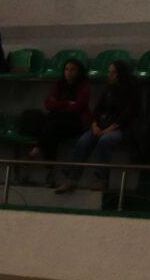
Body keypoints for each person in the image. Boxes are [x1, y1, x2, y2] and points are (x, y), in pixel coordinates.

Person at [57, 59, 140, 195]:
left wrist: (109, 129)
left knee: (105, 140)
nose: (110, 75)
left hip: (120, 128)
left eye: (113, 73)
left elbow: (126, 115)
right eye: (109, 72)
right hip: (101, 124)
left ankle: (102, 179)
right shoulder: (107, 89)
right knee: (84, 141)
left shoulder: (131, 91)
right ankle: (72, 178)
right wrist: (94, 124)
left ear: (121, 74)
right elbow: (97, 109)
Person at [26, 58, 91, 172]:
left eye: (72, 70)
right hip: (57, 120)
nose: (68, 72)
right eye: (66, 69)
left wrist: (58, 105)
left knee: (51, 125)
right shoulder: (59, 84)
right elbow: (48, 104)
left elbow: (78, 107)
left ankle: (36, 151)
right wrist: (66, 103)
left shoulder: (84, 86)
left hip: (75, 122)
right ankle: (49, 167)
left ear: (79, 72)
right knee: (50, 130)